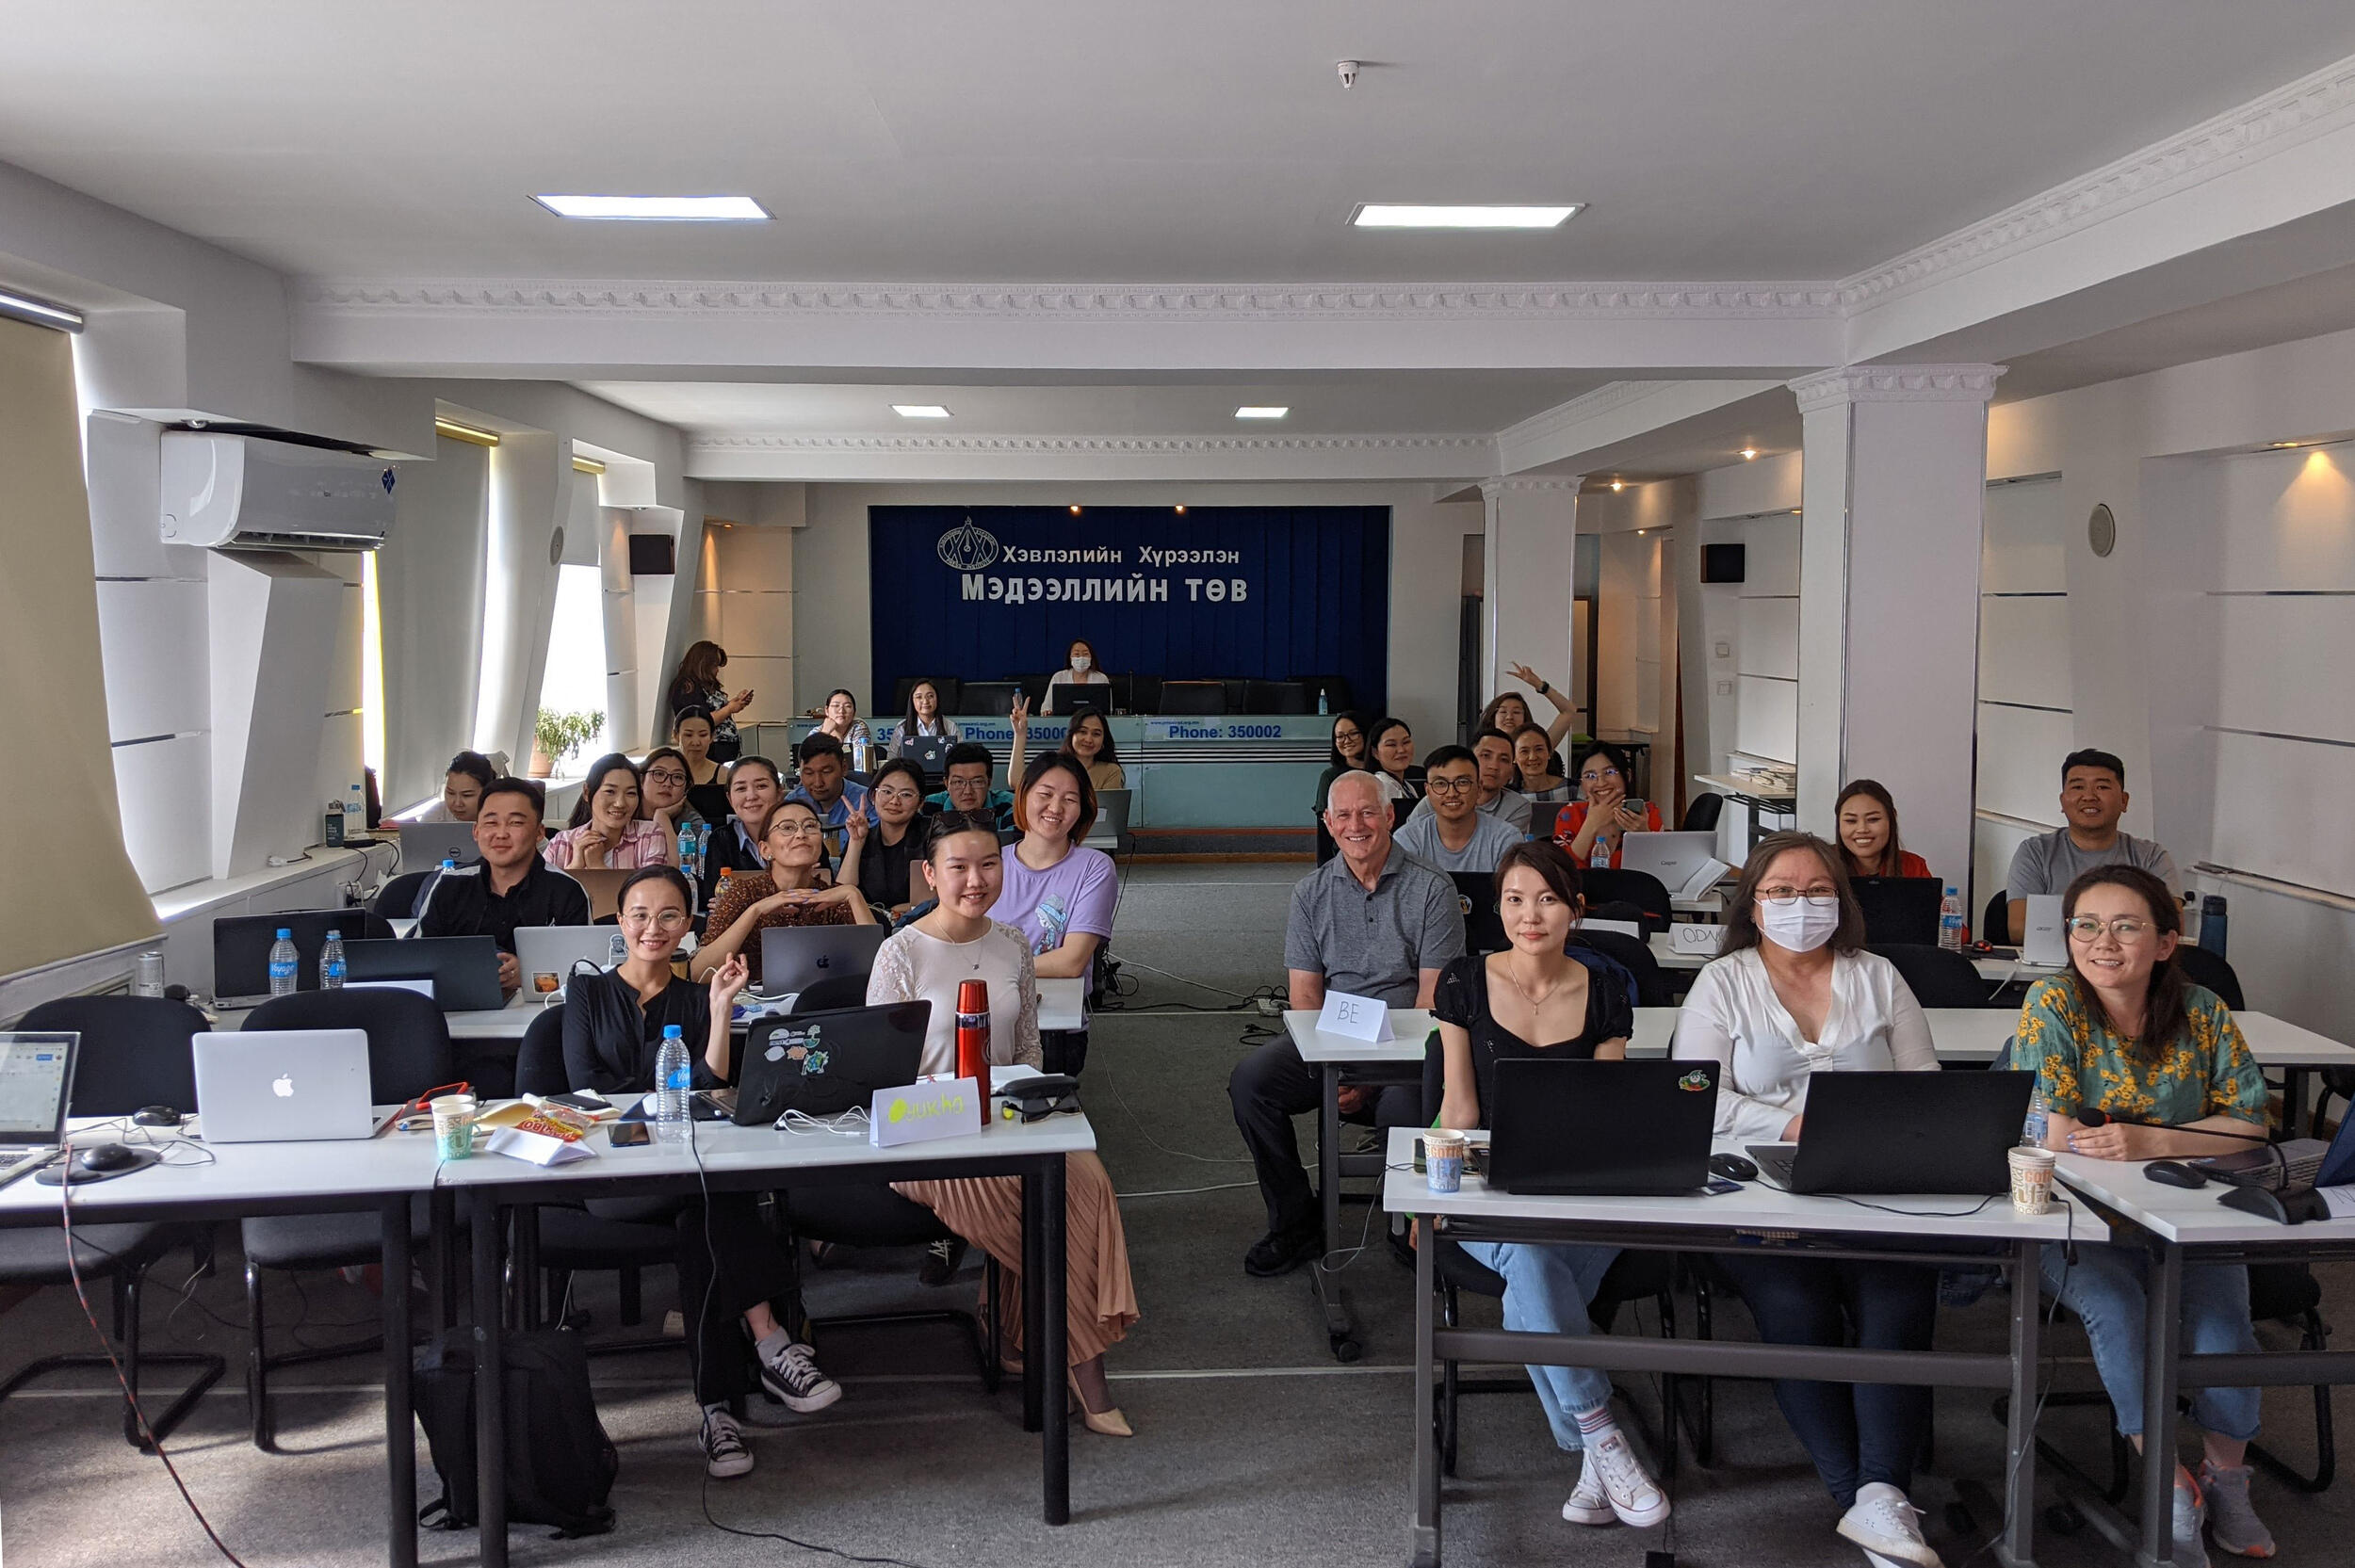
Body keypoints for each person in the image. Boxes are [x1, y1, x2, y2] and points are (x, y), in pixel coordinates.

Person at [1670, 832, 1943, 1568]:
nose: (1801, 904)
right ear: (1754, 905)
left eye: (1818, 889)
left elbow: (1926, 1088)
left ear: (1841, 899)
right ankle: (1869, 1497)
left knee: (1899, 1301)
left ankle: (1880, 1494)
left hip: (1875, 1187)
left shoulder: (1878, 975)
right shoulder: (1723, 981)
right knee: (1799, 1312)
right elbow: (1698, 1096)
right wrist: (1792, 1121)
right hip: (1759, 1189)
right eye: (1782, 891)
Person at [2020, 865, 2273, 1563]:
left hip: (2189, 1216)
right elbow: (2054, 1131)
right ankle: (2168, 1482)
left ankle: (2228, 1477)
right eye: (2086, 925)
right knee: (2119, 1310)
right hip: (2079, 1218)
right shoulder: (2055, 1003)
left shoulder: (2202, 1010)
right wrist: (2184, 1136)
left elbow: (2250, 1122)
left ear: (2166, 941)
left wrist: (2154, 1140)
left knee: (2224, 1329)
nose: (2104, 941)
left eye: (2126, 925)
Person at [867, 812, 1141, 1436]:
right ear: (930, 873)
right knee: (1046, 1203)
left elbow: (1027, 1056)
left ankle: (1024, 1330)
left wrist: (1027, 1113)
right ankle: (1084, 1364)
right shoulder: (900, 953)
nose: (975, 879)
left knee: (1089, 1182)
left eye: (989, 864)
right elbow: (879, 1077)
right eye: (958, 867)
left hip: (1005, 1115)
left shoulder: (1014, 941)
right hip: (928, 1132)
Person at [560, 865, 838, 1477]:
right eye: (639, 914)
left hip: (683, 1171)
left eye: (668, 916)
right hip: (613, 1178)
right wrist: (661, 1104)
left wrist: (719, 1011)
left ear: (688, 925)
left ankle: (717, 1412)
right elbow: (588, 1091)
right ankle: (769, 1338)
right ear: (620, 920)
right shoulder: (586, 993)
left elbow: (711, 1087)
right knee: (715, 1201)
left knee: (700, 1221)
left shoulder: (693, 996)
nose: (652, 928)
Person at [1433, 842, 1669, 1530]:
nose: (1528, 914)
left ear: (1575, 909)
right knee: (1530, 1260)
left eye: (1545, 899)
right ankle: (1602, 1434)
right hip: (1493, 1191)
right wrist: (1430, 1190)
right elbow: (1461, 1108)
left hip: (1581, 1191)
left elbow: (1607, 1112)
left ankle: (1593, 1451)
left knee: (1530, 1282)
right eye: (1513, 899)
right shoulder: (1463, 981)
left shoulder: (1606, 988)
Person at [1227, 769, 1465, 1276]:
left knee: (1401, 1110)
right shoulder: (1310, 893)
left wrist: (1368, 1077)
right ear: (1329, 825)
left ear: (1390, 817)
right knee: (1251, 1084)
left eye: (1368, 812)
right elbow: (1306, 1001)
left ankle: (1412, 1226)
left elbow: (1431, 1002)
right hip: (1333, 1043)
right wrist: (1341, 1067)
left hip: (1408, 1054)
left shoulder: (1432, 889)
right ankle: (1296, 1220)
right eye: (1344, 815)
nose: (1356, 825)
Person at [991, 752, 1119, 1074]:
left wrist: (997, 972)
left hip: (1054, 1026)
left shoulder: (1094, 867)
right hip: (989, 1013)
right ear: (1023, 796)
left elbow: (1071, 961)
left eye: (1070, 799)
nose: (1056, 808)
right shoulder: (991, 863)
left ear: (1083, 808)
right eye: (1045, 795)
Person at [416, 777, 591, 999]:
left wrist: (529, 976)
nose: (501, 833)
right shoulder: (448, 886)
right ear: (476, 831)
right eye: (491, 823)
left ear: (539, 833)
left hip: (541, 1016)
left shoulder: (567, 891)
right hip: (459, 1014)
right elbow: (420, 964)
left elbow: (584, 974)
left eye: (515, 823)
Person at [691, 799, 874, 988]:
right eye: (787, 828)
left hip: (822, 1005)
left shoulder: (833, 898)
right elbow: (699, 973)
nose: (801, 834)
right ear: (765, 849)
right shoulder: (743, 893)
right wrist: (754, 912)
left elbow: (882, 973)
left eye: (810, 826)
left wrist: (854, 895)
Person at [2006, 750, 2181, 941]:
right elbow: (2018, 928)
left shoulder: (2151, 857)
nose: (2089, 796)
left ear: (2124, 801)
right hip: (2053, 966)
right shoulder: (2035, 852)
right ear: (2063, 801)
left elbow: (2171, 928)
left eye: (2102, 787)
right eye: (2078, 787)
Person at [1395, 746, 1525, 873]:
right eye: (1440, 784)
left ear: (1479, 788)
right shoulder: (1408, 839)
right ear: (1428, 791)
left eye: (1462, 782)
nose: (1451, 793)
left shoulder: (1505, 839)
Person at [544, 753, 675, 872]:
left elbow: (651, 893)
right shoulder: (561, 843)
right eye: (610, 792)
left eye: (630, 793)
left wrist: (597, 866)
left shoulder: (649, 835)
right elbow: (542, 896)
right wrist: (576, 865)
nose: (620, 803)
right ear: (587, 792)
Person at [1551, 741, 1662, 869]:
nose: (1601, 782)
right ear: (1581, 784)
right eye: (1590, 776)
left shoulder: (1647, 812)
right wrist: (1591, 824)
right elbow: (1560, 869)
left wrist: (1643, 834)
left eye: (1609, 772)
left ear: (1627, 775)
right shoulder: (1569, 814)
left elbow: (1663, 866)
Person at [697, 756, 785, 911]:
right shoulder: (720, 840)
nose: (751, 796)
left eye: (761, 786)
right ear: (730, 799)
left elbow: (820, 891)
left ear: (779, 792)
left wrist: (741, 902)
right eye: (741, 789)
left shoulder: (801, 835)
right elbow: (715, 903)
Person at [1408, 729, 1533, 835]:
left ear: (1512, 771)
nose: (1494, 766)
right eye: (1485, 756)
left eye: (1504, 760)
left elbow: (1506, 855)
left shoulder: (1517, 807)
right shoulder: (1437, 800)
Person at [846, 758, 929, 917]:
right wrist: (856, 843)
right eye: (887, 791)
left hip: (921, 925)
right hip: (869, 926)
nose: (894, 801)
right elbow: (843, 893)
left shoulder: (935, 835)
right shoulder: (865, 835)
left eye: (905, 794)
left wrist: (908, 908)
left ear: (920, 802)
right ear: (873, 796)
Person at [784, 733, 877, 860]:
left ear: (844, 768)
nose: (818, 782)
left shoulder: (868, 803)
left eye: (826, 772)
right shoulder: (793, 803)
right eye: (809, 773)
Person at [1009, 697, 1125, 794]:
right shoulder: (1053, 765)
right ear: (1071, 735)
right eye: (1082, 732)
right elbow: (1016, 782)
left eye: (1096, 734)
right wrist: (1020, 735)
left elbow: (1108, 813)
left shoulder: (1110, 771)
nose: (1089, 739)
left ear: (1104, 740)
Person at [666, 640, 752, 762]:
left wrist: (736, 703)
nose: (717, 670)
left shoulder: (705, 685)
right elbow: (702, 720)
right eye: (714, 665)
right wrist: (730, 708)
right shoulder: (687, 688)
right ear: (703, 664)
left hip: (726, 746)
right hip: (714, 750)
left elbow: (717, 711)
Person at [1833, 780, 1931, 881]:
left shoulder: (1914, 866)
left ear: (1892, 817)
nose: (1862, 829)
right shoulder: (1822, 864)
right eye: (1851, 821)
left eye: (1873, 819)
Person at [925, 741, 1016, 832]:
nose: (968, 791)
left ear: (989, 782)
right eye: (959, 782)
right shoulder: (929, 806)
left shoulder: (1009, 805)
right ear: (946, 783)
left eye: (976, 782)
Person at [671, 707, 734, 826]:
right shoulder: (663, 775)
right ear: (676, 735)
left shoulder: (725, 775)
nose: (696, 742)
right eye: (688, 735)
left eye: (703, 735)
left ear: (712, 737)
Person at [1499, 661, 1582, 746]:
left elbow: (1569, 711)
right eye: (1503, 712)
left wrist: (1540, 685)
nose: (1509, 717)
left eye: (1516, 712)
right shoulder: (1484, 744)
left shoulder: (1537, 747)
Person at [639, 746, 707, 846]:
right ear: (641, 780)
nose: (667, 783)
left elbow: (685, 861)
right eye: (659, 774)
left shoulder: (692, 825)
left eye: (677, 777)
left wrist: (662, 817)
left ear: (686, 789)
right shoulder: (625, 814)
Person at [887, 679, 964, 757]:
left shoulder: (950, 726)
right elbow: (891, 758)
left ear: (937, 699)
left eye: (930, 696)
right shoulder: (902, 727)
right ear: (912, 701)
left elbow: (961, 757)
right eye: (919, 697)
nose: (925, 701)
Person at [1313, 711, 1372, 812]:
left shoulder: (1380, 772)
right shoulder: (1330, 776)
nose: (1347, 740)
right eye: (1340, 737)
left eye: (1353, 734)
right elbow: (1323, 820)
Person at [419, 751, 498, 823]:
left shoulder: (503, 818)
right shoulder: (433, 819)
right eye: (451, 793)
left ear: (487, 792)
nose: (457, 803)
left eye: (466, 795)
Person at [808, 687, 876, 769]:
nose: (841, 711)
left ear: (854, 712)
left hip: (855, 778)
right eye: (836, 705)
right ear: (826, 710)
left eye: (847, 706)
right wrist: (825, 733)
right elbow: (809, 762)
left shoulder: (859, 727)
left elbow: (860, 764)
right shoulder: (817, 731)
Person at [1041, 638, 1111, 714]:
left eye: (1085, 654)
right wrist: (1047, 712)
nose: (1081, 658)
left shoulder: (1101, 678)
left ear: (1091, 657)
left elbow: (1108, 710)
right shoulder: (1058, 677)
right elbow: (1046, 707)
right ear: (1070, 657)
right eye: (1077, 654)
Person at [1363, 716, 1422, 800]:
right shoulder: (1383, 786)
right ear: (1375, 752)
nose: (1401, 750)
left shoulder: (1407, 786)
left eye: (1406, 742)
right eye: (1391, 744)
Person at [1513, 724, 1571, 805]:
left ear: (1549, 753)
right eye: (1524, 751)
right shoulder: (1508, 796)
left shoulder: (1573, 789)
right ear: (1514, 757)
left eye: (1539, 749)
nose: (1532, 757)